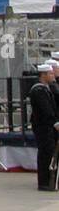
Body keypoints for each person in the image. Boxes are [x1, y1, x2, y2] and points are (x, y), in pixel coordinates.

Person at [30, 63, 58, 191]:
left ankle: (50, 181)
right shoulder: (38, 90)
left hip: (48, 127)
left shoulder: (47, 88)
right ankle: (44, 182)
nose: (53, 75)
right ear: (43, 75)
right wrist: (55, 123)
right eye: (50, 73)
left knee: (50, 152)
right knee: (45, 154)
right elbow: (46, 110)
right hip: (43, 127)